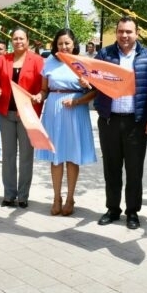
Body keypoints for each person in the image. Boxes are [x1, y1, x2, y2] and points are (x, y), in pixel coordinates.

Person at [95, 16, 147, 230]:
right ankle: (113, 209)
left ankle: (132, 212)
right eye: (121, 31)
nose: (124, 35)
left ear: (137, 34)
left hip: (136, 122)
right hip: (109, 120)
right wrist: (87, 82)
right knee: (111, 168)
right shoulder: (105, 54)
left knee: (134, 170)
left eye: (129, 32)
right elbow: (93, 80)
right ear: (116, 32)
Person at [36, 29, 97, 216]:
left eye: (67, 43)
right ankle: (56, 197)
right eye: (60, 43)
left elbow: (95, 91)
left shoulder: (83, 63)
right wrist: (39, 96)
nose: (64, 46)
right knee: (56, 157)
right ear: (55, 45)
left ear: (74, 44)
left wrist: (81, 95)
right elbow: (44, 90)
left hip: (76, 109)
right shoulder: (49, 63)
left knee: (72, 156)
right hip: (54, 110)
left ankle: (70, 198)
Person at [0, 28, 44, 208]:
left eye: (21, 38)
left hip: (27, 114)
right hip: (6, 113)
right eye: (15, 38)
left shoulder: (37, 61)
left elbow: (43, 87)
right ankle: (9, 194)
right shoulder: (4, 59)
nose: (18, 41)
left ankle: (23, 196)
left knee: (26, 156)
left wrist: (39, 96)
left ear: (28, 40)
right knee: (9, 155)